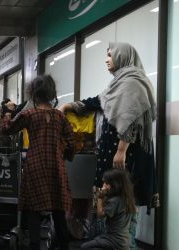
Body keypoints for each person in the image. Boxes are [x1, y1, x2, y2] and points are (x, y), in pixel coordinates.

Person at [58, 42, 158, 249]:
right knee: (111, 207)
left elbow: (132, 119)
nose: (106, 59)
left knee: (123, 208)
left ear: (122, 57)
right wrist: (69, 106)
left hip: (126, 157)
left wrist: (122, 149)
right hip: (114, 155)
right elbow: (99, 101)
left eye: (110, 55)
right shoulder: (118, 84)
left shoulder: (133, 83)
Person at [1, 75, 74, 250]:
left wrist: (8, 112)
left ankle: (34, 245)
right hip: (56, 166)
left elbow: (7, 130)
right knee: (58, 209)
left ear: (33, 93)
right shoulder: (60, 116)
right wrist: (64, 155)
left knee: (33, 209)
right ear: (52, 94)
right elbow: (71, 142)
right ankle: (64, 245)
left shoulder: (29, 115)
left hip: (34, 165)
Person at [81, 169, 136, 250]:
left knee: (84, 247)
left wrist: (100, 197)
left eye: (106, 183)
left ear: (115, 185)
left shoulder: (115, 201)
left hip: (113, 240)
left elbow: (100, 215)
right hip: (124, 240)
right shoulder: (127, 199)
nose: (103, 186)